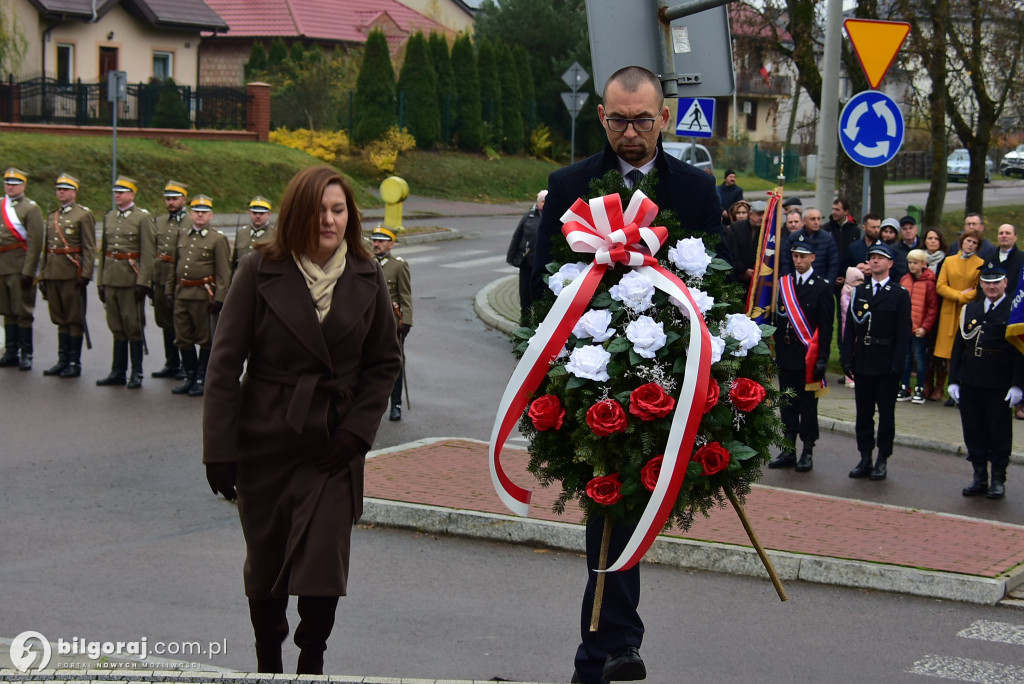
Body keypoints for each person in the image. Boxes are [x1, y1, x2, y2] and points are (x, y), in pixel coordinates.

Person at [530, 65, 729, 684]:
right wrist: (551, 368)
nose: (631, 133)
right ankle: (611, 646)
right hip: (588, 375)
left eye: (643, 120)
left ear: (664, 118)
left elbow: (717, 285)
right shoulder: (571, 186)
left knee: (637, 504)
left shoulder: (695, 190)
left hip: (673, 375)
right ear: (601, 117)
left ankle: (607, 648)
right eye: (618, 120)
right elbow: (539, 284)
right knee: (606, 505)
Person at [202, 165, 401, 676]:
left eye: (339, 210)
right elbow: (225, 363)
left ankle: (311, 660)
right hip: (266, 439)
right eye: (319, 211)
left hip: (333, 445)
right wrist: (218, 448)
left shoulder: (366, 271)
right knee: (265, 564)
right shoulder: (258, 269)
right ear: (297, 214)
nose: (329, 221)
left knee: (322, 567)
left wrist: (356, 434)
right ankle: (268, 656)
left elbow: (384, 364)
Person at [948, 264, 1024, 499]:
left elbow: (1020, 352)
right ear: (981, 284)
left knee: (999, 432)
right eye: (987, 283)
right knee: (974, 430)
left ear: (1005, 284)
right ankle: (979, 476)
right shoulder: (970, 309)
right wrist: (953, 380)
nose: (991, 287)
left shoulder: (1015, 311)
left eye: (996, 282)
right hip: (970, 379)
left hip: (999, 382)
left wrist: (1018, 385)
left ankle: (998, 479)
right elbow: (959, 345)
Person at [841, 243, 912, 481]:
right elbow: (850, 328)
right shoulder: (860, 292)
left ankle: (882, 457)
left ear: (890, 263)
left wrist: (898, 364)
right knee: (863, 413)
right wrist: (846, 358)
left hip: (886, 361)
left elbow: (904, 333)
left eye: (880, 258)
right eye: (872, 257)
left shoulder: (899, 294)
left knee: (886, 414)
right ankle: (865, 457)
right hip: (863, 359)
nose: (875, 261)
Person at [768, 242, 833, 472]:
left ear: (813, 258)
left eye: (803, 256)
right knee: (787, 404)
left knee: (807, 406)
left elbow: (826, 328)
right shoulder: (784, 283)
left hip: (809, 357)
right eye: (795, 256)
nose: (798, 260)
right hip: (786, 354)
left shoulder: (823, 287)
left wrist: (823, 358)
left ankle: (807, 451)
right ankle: (788, 450)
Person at [167, 194, 230, 397]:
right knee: (183, 337)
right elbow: (174, 267)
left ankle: (202, 378)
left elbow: (223, 272)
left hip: (204, 295)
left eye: (204, 212)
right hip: (182, 293)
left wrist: (219, 298)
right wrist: (169, 291)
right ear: (191, 213)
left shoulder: (217, 239)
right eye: (196, 211)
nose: (200, 215)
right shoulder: (183, 235)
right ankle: (190, 375)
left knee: (206, 338)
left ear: (210, 215)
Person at [96, 176, 155, 389]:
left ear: (132, 194)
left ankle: (136, 372)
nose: (117, 195)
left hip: (131, 280)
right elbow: (104, 252)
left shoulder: (142, 218)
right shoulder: (110, 217)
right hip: (112, 278)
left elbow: (148, 254)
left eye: (122, 191)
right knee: (116, 326)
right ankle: (118, 371)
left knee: (133, 326)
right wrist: (101, 281)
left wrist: (143, 282)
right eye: (116, 191)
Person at [39, 173, 95, 378]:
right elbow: (47, 249)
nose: (61, 192)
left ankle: (74, 361)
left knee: (74, 319)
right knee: (60, 318)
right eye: (58, 189)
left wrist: (86, 274)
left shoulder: (82, 215)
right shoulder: (53, 215)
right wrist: (43, 275)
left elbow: (89, 247)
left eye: (65, 189)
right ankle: (62, 359)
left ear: (74, 192)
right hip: (53, 273)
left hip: (73, 274)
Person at [0, 167, 43, 371]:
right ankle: (10, 352)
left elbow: (35, 243)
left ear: (23, 186)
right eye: (8, 183)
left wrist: (29, 270)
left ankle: (26, 354)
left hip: (19, 265)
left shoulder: (31, 208)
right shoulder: (0, 204)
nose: (10, 186)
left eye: (15, 183)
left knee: (22, 310)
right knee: (7, 310)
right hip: (2, 265)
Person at [934, 230, 984, 405]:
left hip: (968, 311)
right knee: (949, 353)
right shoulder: (949, 261)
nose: (970, 244)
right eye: (968, 241)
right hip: (949, 310)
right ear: (962, 241)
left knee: (965, 349)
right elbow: (940, 286)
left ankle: (963, 388)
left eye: (974, 243)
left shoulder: (980, 264)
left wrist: (964, 298)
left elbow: (979, 289)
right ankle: (951, 387)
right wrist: (957, 295)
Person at [151, 180, 192, 380]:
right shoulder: (159, 221)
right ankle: (172, 362)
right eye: (168, 199)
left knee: (182, 323)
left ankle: (187, 365)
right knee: (165, 322)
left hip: (180, 277)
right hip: (160, 276)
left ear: (184, 199)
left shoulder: (191, 222)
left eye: (175, 199)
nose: (171, 203)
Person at [371, 226, 412, 421]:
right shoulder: (367, 263)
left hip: (391, 323)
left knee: (395, 363)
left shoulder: (398, 265)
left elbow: (405, 296)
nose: (376, 244)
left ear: (391, 244)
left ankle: (395, 405)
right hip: (368, 322)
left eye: (380, 241)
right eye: (374, 240)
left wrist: (407, 323)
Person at [897, 249, 938, 404]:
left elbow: (932, 308)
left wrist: (925, 327)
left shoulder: (929, 283)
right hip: (905, 327)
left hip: (920, 329)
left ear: (923, 264)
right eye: (910, 262)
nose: (912, 266)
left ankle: (920, 387)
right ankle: (905, 386)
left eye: (915, 263)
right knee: (905, 358)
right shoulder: (904, 280)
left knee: (920, 358)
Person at [506, 189, 546, 321]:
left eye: (547, 201)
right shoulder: (529, 216)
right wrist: (511, 257)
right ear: (538, 202)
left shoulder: (552, 216)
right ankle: (525, 323)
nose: (544, 204)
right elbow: (517, 236)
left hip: (543, 264)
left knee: (540, 294)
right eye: (542, 201)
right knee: (525, 293)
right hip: (527, 262)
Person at [232, 196, 277, 273]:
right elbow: (234, 262)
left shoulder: (274, 236)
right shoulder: (241, 233)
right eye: (254, 213)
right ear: (249, 212)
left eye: (261, 213)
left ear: (268, 214)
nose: (258, 216)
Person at [725, 199, 765, 285]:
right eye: (759, 214)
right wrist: (743, 270)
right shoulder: (736, 228)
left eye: (764, 215)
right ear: (750, 214)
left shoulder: (766, 232)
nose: (762, 218)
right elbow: (732, 252)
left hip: (757, 279)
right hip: (736, 277)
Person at [839, 266, 865, 387]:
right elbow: (846, 308)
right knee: (850, 349)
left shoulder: (860, 293)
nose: (859, 283)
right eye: (856, 281)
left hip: (858, 327)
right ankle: (849, 377)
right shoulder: (846, 292)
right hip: (847, 327)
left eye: (861, 281)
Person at [824, 198, 860, 277]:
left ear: (846, 212)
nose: (834, 212)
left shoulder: (855, 231)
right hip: (830, 275)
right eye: (833, 209)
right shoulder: (825, 229)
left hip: (849, 275)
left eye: (837, 210)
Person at [994, 223, 1023, 294]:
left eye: (1008, 233)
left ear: (1015, 237)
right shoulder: (989, 259)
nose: (1004, 236)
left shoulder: (1022, 259)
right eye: (1001, 233)